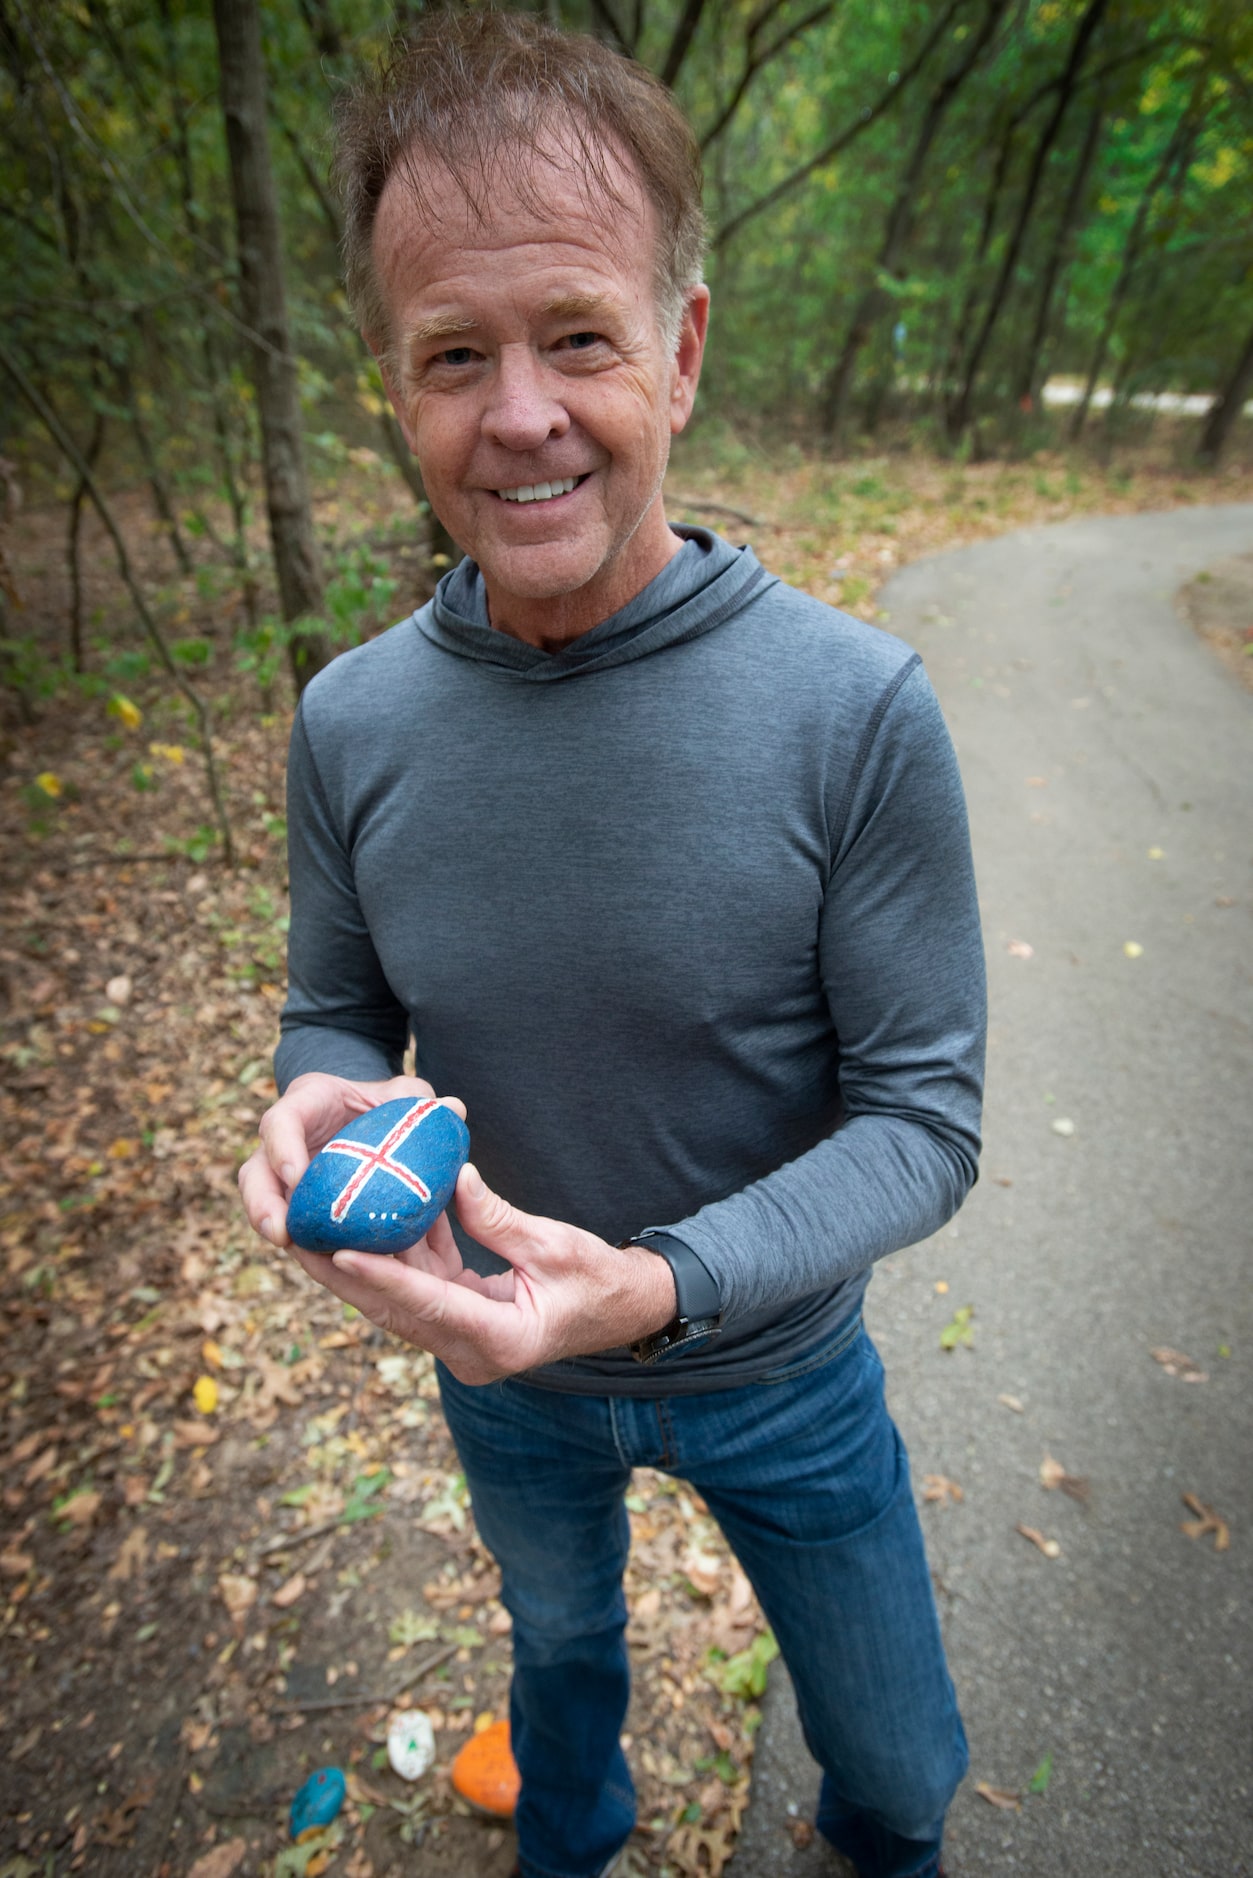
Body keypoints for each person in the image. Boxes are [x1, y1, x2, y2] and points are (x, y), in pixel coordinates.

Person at [238, 14, 986, 1878]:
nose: (520, 411)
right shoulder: (352, 720)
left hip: (784, 1368)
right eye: (453, 355)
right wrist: (313, 1097)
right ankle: (565, 1845)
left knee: (896, 1764)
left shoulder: (853, 709)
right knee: (559, 1654)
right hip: (510, 1373)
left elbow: (921, 1122)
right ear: (394, 387)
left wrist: (658, 1284)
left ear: (683, 344)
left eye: (577, 332)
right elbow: (339, 1001)